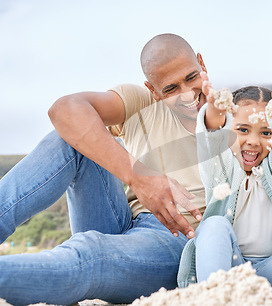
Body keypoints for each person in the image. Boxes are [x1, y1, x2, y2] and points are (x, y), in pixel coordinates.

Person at [0, 34, 207, 305]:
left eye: (192, 77)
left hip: (177, 241)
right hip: (122, 221)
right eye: (170, 89)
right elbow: (64, 110)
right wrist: (140, 178)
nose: (188, 94)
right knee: (70, 138)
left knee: (90, 253)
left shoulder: (238, 116)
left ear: (201, 63)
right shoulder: (142, 102)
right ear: (153, 90)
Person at [176, 67, 272, 302]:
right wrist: (215, 112)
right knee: (213, 225)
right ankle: (216, 299)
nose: (253, 141)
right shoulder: (223, 172)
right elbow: (212, 143)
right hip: (228, 267)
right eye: (242, 130)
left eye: (266, 132)